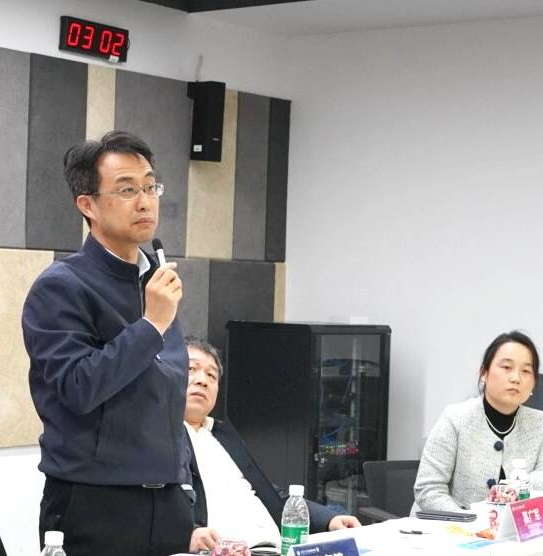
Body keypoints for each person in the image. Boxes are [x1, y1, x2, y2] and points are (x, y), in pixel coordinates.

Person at [22, 130, 197, 556]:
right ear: (88, 204)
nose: (145, 202)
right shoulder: (61, 286)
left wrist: (190, 490)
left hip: (170, 501)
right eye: (126, 190)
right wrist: (151, 324)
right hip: (96, 503)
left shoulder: (154, 280)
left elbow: (166, 396)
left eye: (150, 187)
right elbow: (78, 388)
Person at [184, 337, 361, 551]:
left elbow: (271, 495)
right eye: (191, 369)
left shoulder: (222, 435)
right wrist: (185, 535)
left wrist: (329, 520)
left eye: (211, 375)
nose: (203, 380)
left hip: (277, 547)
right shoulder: (160, 438)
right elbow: (152, 510)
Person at [413, 330, 543, 512]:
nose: (516, 378)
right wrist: (468, 522)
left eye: (526, 371)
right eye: (506, 367)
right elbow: (428, 489)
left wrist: (516, 487)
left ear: (534, 382)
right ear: (484, 373)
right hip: (448, 525)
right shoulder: (455, 418)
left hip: (514, 528)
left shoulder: (539, 424)